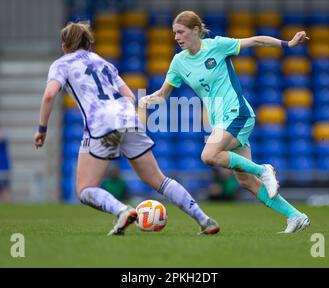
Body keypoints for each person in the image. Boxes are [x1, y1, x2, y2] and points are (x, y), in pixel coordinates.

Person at [33, 21, 219, 236]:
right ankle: (204, 219)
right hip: (128, 118)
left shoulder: (62, 63)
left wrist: (42, 129)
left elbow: (49, 95)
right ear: (88, 43)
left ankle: (122, 211)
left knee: (84, 190)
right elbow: (130, 97)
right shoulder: (104, 63)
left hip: (101, 122)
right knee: (158, 180)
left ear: (65, 44)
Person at [140, 10, 310, 234]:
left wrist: (287, 44)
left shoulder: (217, 46)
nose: (176, 37)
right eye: (174, 33)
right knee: (245, 182)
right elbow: (163, 94)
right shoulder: (179, 62)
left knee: (209, 155)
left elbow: (256, 40)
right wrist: (147, 99)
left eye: (181, 32)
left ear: (195, 30)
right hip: (221, 120)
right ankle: (296, 216)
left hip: (237, 112)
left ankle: (264, 169)